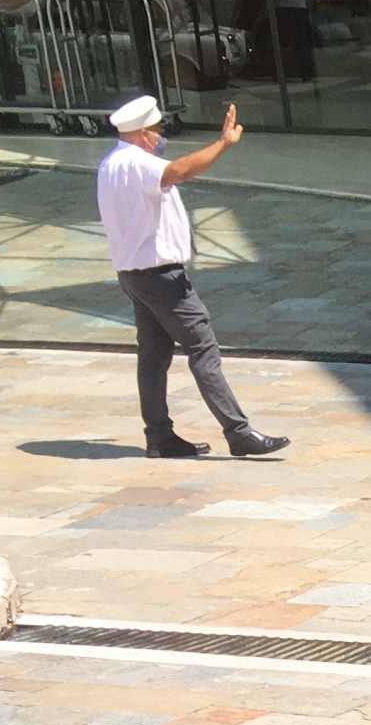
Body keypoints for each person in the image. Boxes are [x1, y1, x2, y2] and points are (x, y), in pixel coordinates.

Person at [95, 95, 288, 459]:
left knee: (153, 355)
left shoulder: (110, 164)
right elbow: (180, 172)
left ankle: (159, 436)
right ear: (143, 133)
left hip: (133, 275)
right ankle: (239, 432)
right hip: (161, 277)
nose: (161, 135)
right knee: (203, 348)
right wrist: (222, 144)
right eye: (157, 129)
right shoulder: (138, 163)